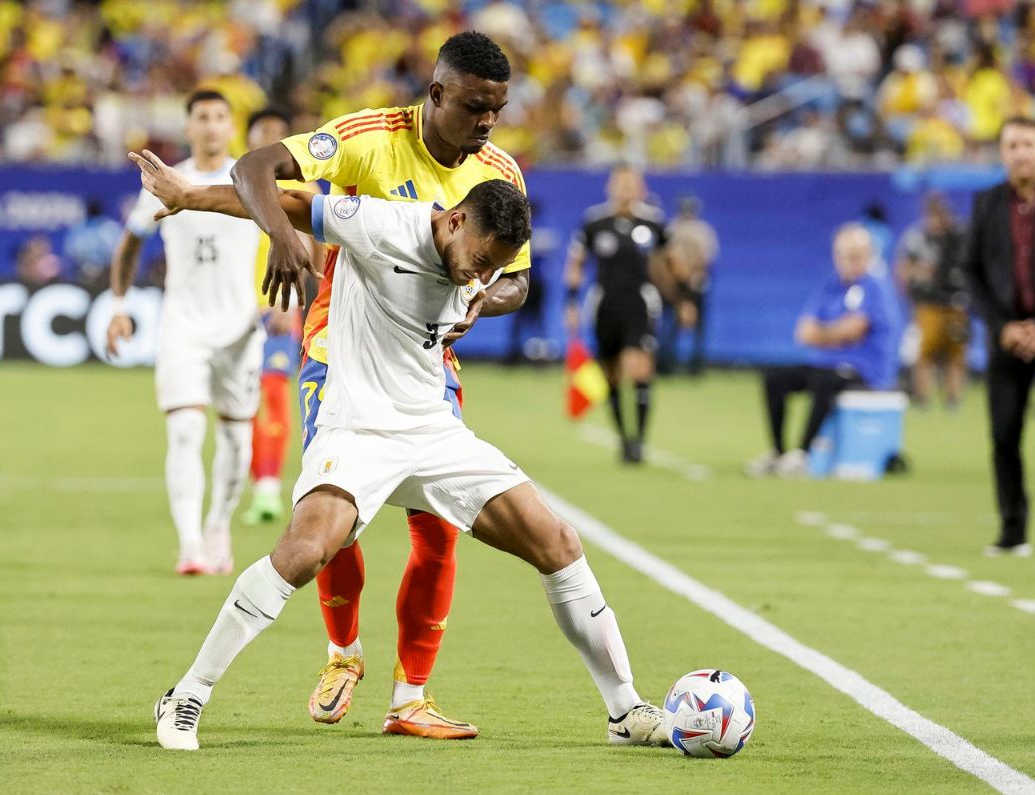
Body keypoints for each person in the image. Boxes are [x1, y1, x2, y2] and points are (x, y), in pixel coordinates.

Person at [130, 164, 669, 754]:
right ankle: (187, 694)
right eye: (480, 261)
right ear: (455, 219)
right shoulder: (383, 223)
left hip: (433, 431)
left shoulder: (478, 266)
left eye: (494, 268)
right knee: (306, 550)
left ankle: (625, 711)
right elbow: (287, 199)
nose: (482, 276)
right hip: (357, 428)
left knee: (558, 542)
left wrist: (484, 292)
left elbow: (502, 284)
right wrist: (189, 195)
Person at [133, 32, 530, 739]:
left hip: (429, 363)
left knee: (440, 530)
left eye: (496, 110)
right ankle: (342, 651)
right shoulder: (367, 138)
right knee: (336, 526)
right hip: (337, 354)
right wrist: (197, 196)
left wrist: (482, 301)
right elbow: (277, 186)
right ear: (439, 93)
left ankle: (411, 697)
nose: (486, 123)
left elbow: (519, 278)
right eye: (476, 106)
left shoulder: (499, 172)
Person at [105, 89, 264, 576]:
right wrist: (119, 305)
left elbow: (293, 234)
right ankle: (190, 544)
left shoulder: (254, 178)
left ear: (230, 125)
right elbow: (130, 243)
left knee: (237, 442)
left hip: (241, 326)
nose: (212, 125)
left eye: (220, 116)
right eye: (202, 117)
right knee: (185, 430)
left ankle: (218, 524)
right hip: (183, 325)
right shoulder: (165, 181)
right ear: (189, 127)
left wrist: (288, 299)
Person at [962, 116, 1035, 558]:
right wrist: (1002, 327)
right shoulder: (986, 204)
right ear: (1001, 153)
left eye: (1028, 144)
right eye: (1012, 145)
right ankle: (1012, 531)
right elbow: (970, 271)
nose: (1020, 153)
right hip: (1006, 336)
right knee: (1003, 434)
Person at [746, 224, 896, 478]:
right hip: (825, 363)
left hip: (863, 370)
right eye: (846, 256)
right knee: (775, 379)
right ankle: (779, 452)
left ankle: (803, 454)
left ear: (869, 256)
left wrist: (825, 334)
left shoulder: (875, 287)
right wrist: (836, 334)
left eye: (857, 256)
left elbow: (855, 330)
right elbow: (804, 332)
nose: (851, 262)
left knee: (824, 382)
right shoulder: (830, 285)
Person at [240, 107, 321, 526]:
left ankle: (268, 488)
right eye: (262, 132)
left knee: (273, 395)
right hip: (234, 311)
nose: (270, 139)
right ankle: (255, 483)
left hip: (276, 308)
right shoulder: (235, 184)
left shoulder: (301, 188)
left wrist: (290, 302)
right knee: (241, 402)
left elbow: (311, 251)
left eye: (278, 134)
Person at [563, 165, 670, 464]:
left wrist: (682, 297)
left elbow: (666, 263)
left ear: (641, 188)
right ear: (609, 187)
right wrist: (570, 302)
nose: (624, 189)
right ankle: (624, 438)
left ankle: (640, 441)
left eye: (630, 183)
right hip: (605, 303)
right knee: (611, 371)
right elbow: (577, 262)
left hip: (640, 302)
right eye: (619, 183)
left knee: (639, 366)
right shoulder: (595, 222)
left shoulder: (654, 222)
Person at [894, 192, 969, 409]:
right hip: (927, 304)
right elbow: (903, 269)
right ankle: (922, 397)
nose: (936, 221)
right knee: (924, 353)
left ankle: (953, 399)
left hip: (955, 303)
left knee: (956, 354)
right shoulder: (916, 237)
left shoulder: (958, 237)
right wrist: (918, 276)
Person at [663, 194, 719, 376]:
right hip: (680, 286)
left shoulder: (691, 230)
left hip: (688, 285)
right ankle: (669, 364)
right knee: (671, 326)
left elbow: (707, 261)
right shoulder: (678, 229)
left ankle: (689, 365)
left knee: (693, 327)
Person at [63, 200, 123, 289]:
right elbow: (72, 254)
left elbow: (117, 253)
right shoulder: (79, 228)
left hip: (105, 274)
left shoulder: (109, 227)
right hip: (82, 273)